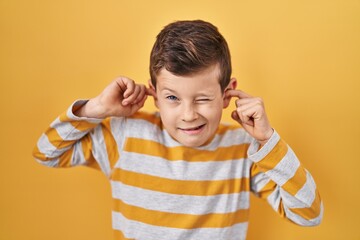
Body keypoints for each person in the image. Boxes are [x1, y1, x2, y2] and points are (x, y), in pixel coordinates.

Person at [33, 20, 323, 240]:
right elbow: (46, 153)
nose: (188, 114)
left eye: (203, 98)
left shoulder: (243, 150)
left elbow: (308, 214)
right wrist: (95, 109)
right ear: (155, 95)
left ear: (226, 94)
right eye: (172, 98)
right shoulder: (126, 136)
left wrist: (268, 141)